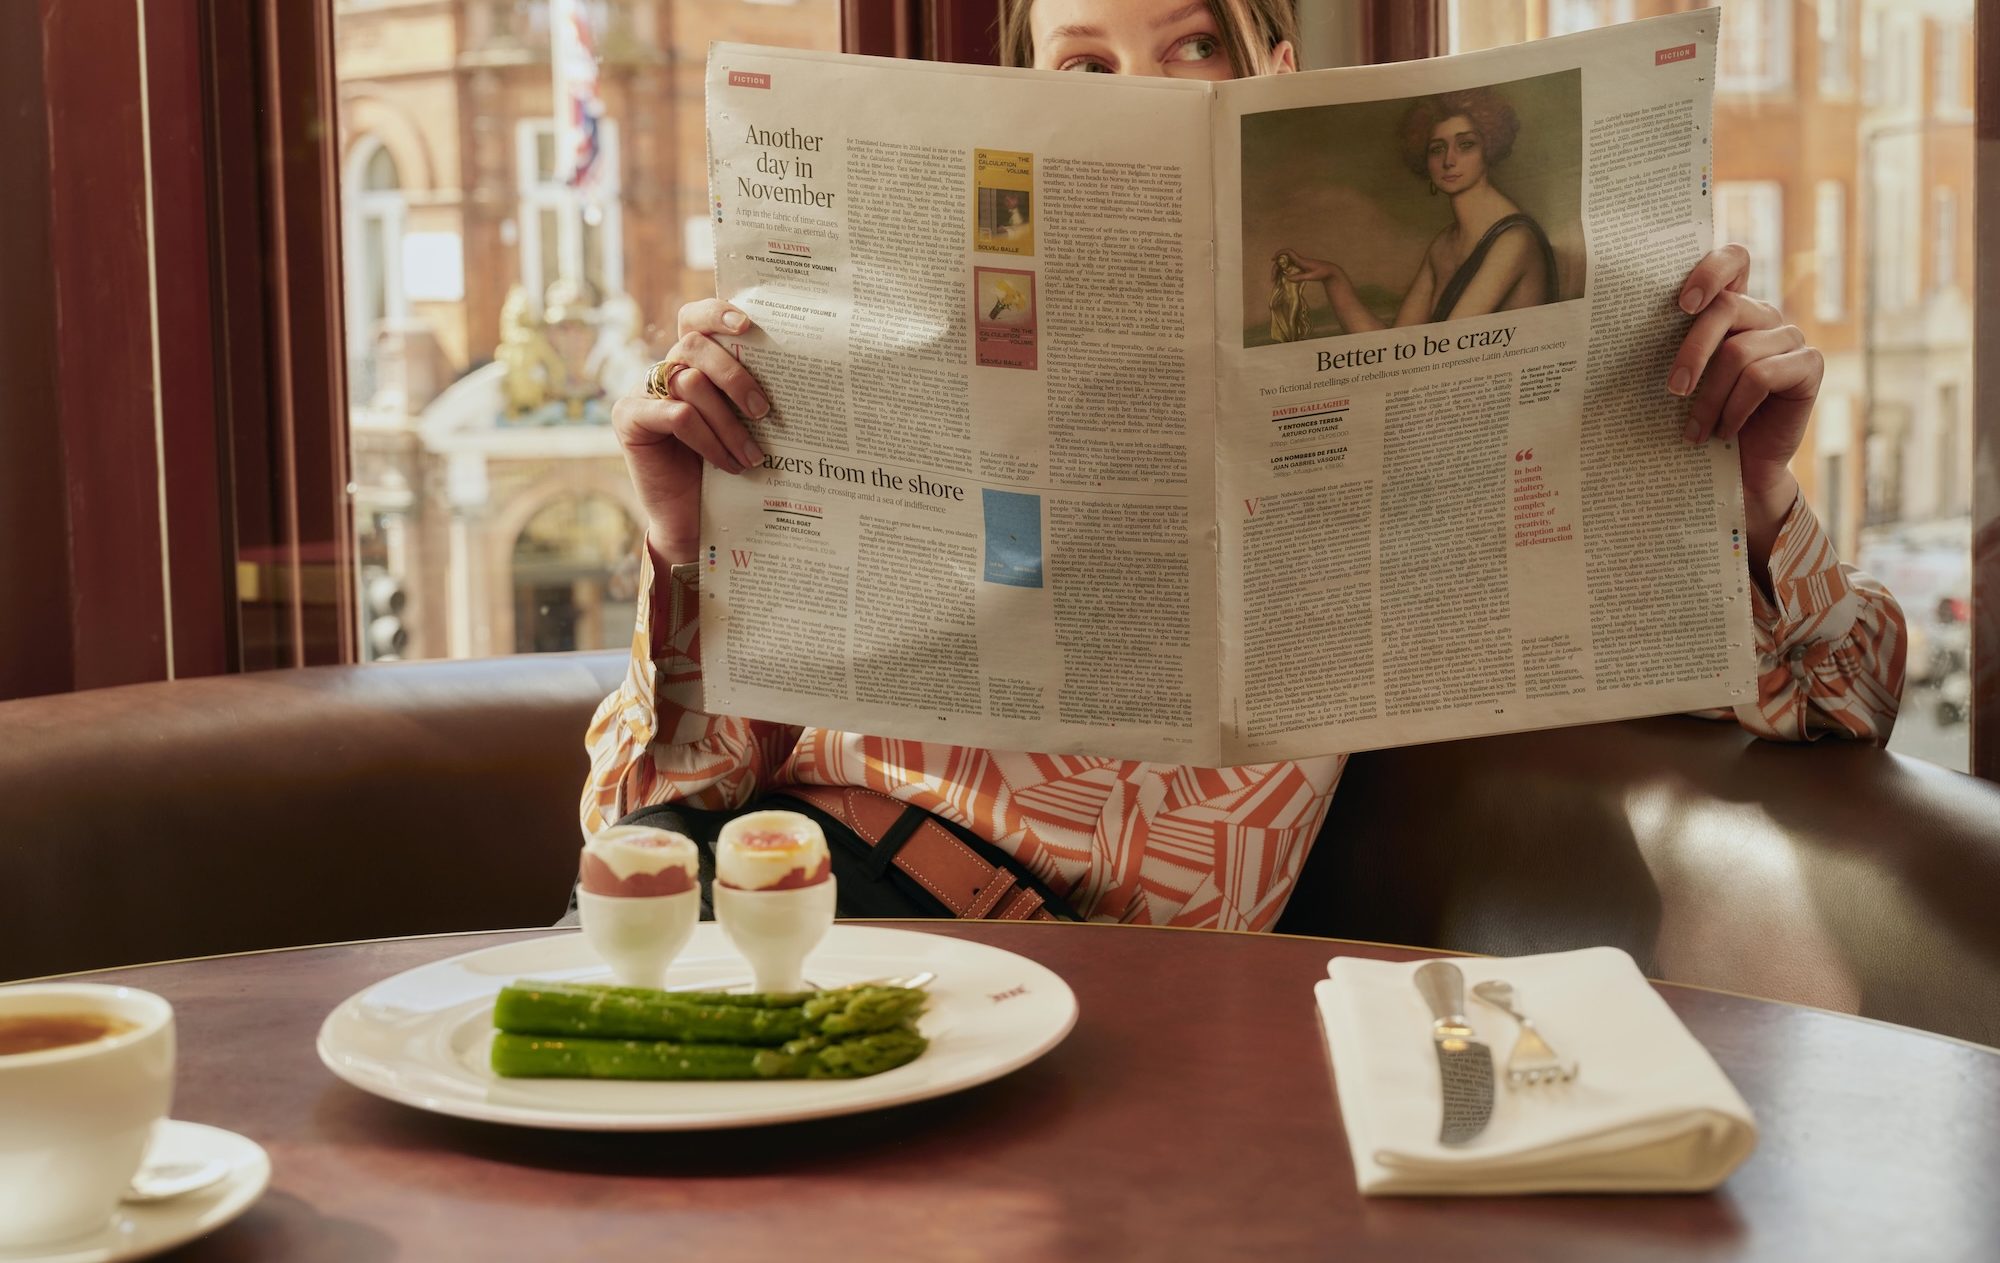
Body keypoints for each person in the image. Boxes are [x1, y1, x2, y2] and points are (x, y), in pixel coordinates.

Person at [590, 0, 1904, 931]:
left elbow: (1841, 697)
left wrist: (1751, 493)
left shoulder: (1414, 410)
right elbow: (640, 820)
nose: (1146, 94)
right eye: (1084, 64)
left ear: (1274, 67)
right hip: (777, 891)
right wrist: (686, 548)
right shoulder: (892, 342)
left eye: (1193, 45)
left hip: (1060, 994)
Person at [1280, 85, 1559, 333]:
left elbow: (1444, 346)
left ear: (1489, 149)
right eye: (1437, 149)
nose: (1449, 160)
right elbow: (1394, 346)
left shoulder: (1515, 241)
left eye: (1466, 145)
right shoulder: (1443, 245)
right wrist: (1334, 278)